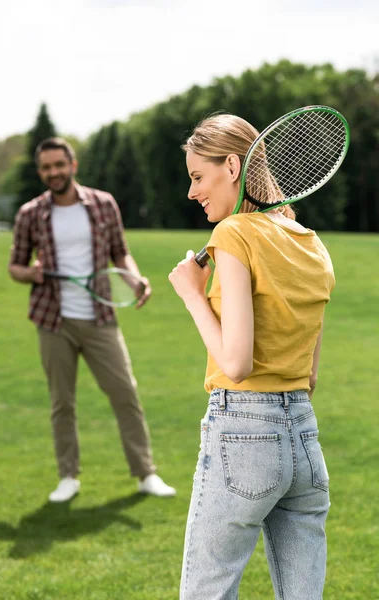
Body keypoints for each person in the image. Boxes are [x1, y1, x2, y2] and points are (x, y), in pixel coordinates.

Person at [168, 114, 334, 600]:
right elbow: (311, 374)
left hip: (243, 434)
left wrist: (192, 295)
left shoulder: (234, 234)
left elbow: (236, 365)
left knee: (207, 591)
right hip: (304, 439)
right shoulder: (310, 242)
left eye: (198, 176)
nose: (192, 191)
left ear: (233, 166)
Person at [9, 137, 176, 502]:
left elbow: (121, 252)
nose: (53, 172)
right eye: (46, 168)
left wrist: (134, 278)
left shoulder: (103, 204)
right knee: (62, 403)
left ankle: (146, 473)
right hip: (53, 320)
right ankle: (68, 476)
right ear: (41, 172)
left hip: (100, 316)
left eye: (59, 165)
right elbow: (15, 266)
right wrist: (32, 274)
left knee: (125, 394)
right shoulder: (30, 214)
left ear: (73, 165)